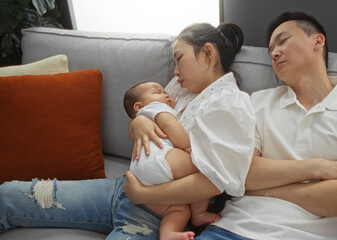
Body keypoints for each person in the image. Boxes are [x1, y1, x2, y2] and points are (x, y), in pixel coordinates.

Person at [124, 12, 337, 240]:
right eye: (270, 50)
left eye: (283, 41)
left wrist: (267, 188)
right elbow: (242, 175)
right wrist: (315, 168)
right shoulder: (258, 101)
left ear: (317, 41)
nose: (275, 53)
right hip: (230, 228)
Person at [0, 22, 260, 240]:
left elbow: (214, 182)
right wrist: (138, 123)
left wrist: (145, 194)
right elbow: (144, 116)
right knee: (6, 195)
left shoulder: (231, 104)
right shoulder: (181, 87)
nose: (176, 72)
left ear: (207, 53)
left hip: (158, 213)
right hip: (122, 187)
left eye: (179, 59)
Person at [123, 81, 220, 240]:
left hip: (140, 173)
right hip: (161, 159)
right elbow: (170, 124)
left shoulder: (144, 115)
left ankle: (168, 234)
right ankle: (199, 213)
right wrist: (186, 145)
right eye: (158, 92)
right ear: (139, 107)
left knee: (178, 210)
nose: (166, 94)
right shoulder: (155, 108)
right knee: (204, 166)